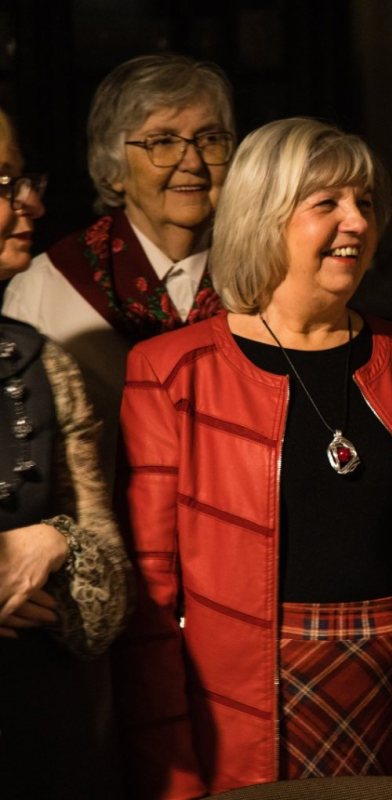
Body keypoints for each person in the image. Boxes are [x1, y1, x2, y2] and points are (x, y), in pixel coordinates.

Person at [114, 118, 392, 798]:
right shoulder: (172, 372)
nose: (357, 222)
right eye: (328, 203)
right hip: (245, 712)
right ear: (262, 218)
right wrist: (172, 778)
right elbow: (149, 603)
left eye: (365, 202)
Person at [2, 53, 233, 478]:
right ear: (113, 169)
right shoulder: (45, 286)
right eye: (162, 142)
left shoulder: (265, 278)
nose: (193, 162)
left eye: (210, 139)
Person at [0, 108, 132, 799]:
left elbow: (106, 604)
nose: (33, 203)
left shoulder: (42, 365)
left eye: (26, 180)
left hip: (30, 738)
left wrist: (53, 542)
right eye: (5, 183)